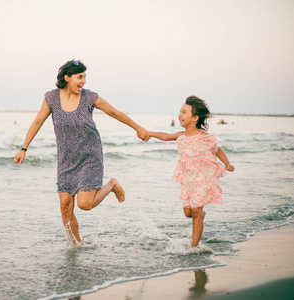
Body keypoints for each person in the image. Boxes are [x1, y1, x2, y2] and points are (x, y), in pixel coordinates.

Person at [14, 59, 150, 247]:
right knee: (65, 207)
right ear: (67, 77)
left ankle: (111, 185)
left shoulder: (89, 97)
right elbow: (38, 122)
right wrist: (24, 148)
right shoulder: (51, 98)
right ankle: (76, 246)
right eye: (80, 77)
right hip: (66, 159)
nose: (84, 81)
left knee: (84, 204)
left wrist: (137, 127)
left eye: (85, 77)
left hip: (89, 156)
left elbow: (114, 113)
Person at [148, 96, 234, 247]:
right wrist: (149, 133)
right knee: (188, 213)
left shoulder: (205, 138)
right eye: (180, 112)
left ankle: (194, 246)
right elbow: (166, 136)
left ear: (195, 117)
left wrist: (227, 163)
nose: (180, 115)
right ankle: (200, 215)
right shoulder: (181, 136)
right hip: (187, 180)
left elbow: (217, 150)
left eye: (184, 112)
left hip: (203, 179)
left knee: (195, 211)